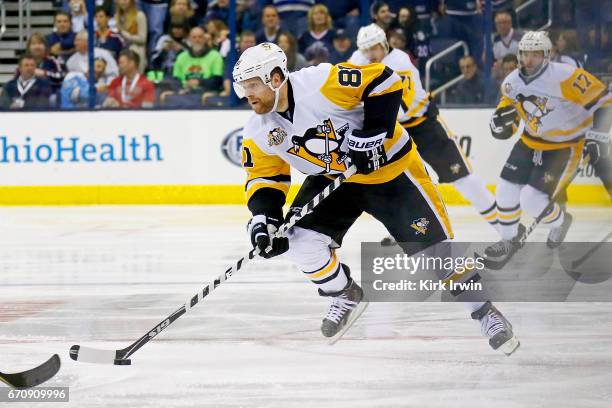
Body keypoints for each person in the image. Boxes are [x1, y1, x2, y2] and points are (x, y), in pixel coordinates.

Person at [232, 42, 519, 355]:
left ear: (275, 78)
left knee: (436, 254)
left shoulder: (319, 83)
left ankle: (485, 313)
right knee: (299, 239)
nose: (247, 95)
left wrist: (373, 135)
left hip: (391, 173)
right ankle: (344, 293)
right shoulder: (258, 130)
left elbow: (384, 80)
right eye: (242, 88)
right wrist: (265, 220)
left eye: (252, 86)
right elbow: (265, 178)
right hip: (335, 180)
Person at [350, 24, 501, 243]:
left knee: (462, 178)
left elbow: (399, 107)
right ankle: (406, 229)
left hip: (422, 125)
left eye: (374, 48)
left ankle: (505, 227)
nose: (370, 55)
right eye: (366, 50)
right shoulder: (357, 60)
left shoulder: (400, 62)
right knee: (398, 184)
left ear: (384, 44)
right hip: (394, 131)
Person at [486, 31, 611, 260]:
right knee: (504, 191)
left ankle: (560, 222)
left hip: (564, 146)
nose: (529, 59)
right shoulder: (511, 82)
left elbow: (605, 101)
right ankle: (508, 239)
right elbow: (510, 112)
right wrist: (500, 125)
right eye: (525, 54)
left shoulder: (567, 76)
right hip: (529, 142)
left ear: (546, 55)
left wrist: (597, 136)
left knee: (532, 201)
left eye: (536, 54)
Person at [115, 0, 148, 72]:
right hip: (121, 48)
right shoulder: (117, 17)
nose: (123, 2)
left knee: (133, 50)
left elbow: (143, 39)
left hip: (136, 48)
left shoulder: (139, 15)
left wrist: (127, 36)